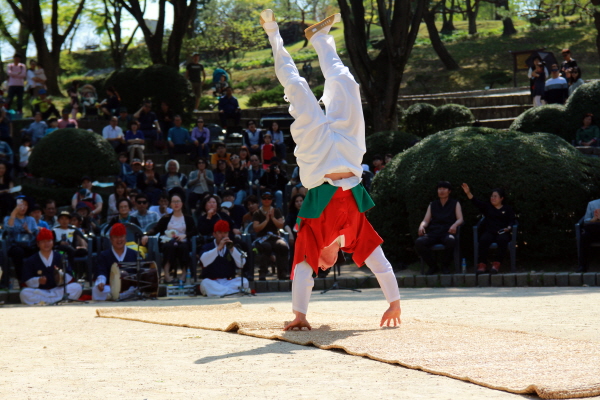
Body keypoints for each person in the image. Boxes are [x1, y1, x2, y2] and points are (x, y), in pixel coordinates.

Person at [261, 10, 403, 330]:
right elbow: (381, 266)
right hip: (351, 160)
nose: (321, 268)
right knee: (347, 85)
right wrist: (394, 303)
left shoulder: (310, 234)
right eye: (326, 267)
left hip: (319, 163)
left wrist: (300, 314)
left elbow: (301, 271)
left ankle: (273, 34)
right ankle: (320, 38)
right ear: (335, 257)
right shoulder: (355, 237)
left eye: (319, 269)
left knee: (297, 88)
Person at [461, 183, 515, 274]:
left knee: (503, 240)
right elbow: (475, 202)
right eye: (492, 196)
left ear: (501, 198)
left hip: (502, 232)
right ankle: (482, 265)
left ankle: (496, 265)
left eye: (495, 196)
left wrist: (508, 228)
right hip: (490, 232)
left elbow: (512, 220)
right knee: (483, 239)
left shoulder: (507, 208)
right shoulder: (487, 207)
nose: (492, 198)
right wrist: (468, 193)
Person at [20, 228, 83, 305]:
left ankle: (47, 301)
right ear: (38, 244)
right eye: (43, 241)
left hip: (58, 289)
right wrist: (38, 280)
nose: (46, 244)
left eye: (49, 241)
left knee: (77, 287)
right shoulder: (31, 260)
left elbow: (70, 275)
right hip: (41, 291)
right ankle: (56, 300)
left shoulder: (60, 257)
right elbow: (26, 279)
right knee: (24, 293)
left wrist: (61, 277)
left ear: (53, 243)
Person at [145, 193, 197, 283]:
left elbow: (195, 231)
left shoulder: (188, 218)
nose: (176, 204)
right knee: (169, 247)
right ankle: (166, 274)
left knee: (184, 248)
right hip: (168, 241)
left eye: (178, 201)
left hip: (182, 241)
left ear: (182, 203)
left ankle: (184, 274)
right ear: (170, 204)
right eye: (173, 202)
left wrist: (185, 235)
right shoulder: (166, 218)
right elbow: (156, 229)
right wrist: (146, 234)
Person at [415, 182, 464, 275]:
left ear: (449, 191)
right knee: (419, 242)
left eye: (444, 189)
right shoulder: (433, 204)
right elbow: (426, 220)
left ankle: (445, 266)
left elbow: (460, 219)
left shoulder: (455, 203)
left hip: (447, 231)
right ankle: (433, 266)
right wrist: (421, 226)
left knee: (451, 240)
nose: (441, 191)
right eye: (439, 189)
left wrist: (454, 225)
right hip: (434, 232)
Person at [199, 220, 248, 296]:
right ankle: (231, 292)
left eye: (225, 233)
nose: (223, 235)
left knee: (244, 281)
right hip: (212, 281)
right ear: (214, 234)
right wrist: (218, 248)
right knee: (205, 283)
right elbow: (204, 261)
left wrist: (232, 249)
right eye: (220, 232)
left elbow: (242, 264)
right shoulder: (207, 247)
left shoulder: (231, 247)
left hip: (228, 281)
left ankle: (223, 292)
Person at [92, 223, 139, 301]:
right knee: (96, 290)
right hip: (111, 287)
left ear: (125, 238)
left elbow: (139, 273)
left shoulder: (134, 254)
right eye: (116, 237)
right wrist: (101, 282)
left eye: (121, 236)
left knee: (135, 289)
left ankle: (117, 296)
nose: (119, 239)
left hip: (129, 288)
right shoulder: (104, 255)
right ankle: (121, 296)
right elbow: (101, 270)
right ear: (111, 239)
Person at [252, 190, 289, 280]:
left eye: (269, 198)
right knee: (266, 247)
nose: (267, 200)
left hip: (275, 237)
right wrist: (266, 220)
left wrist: (272, 218)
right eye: (264, 198)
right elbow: (256, 228)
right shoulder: (257, 213)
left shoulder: (276, 211)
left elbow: (281, 225)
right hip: (262, 238)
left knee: (282, 246)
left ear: (272, 200)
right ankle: (263, 273)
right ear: (261, 200)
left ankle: (282, 272)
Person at [4, 195, 39, 284]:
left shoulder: (30, 219)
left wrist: (28, 230)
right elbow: (8, 230)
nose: (23, 207)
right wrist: (13, 213)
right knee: (18, 252)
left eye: (26, 205)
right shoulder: (8, 218)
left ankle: (37, 278)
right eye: (21, 205)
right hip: (14, 246)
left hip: (29, 245)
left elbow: (35, 235)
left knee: (38, 250)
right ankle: (21, 280)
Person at [53, 210, 88, 276]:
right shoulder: (54, 230)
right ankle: (71, 270)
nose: (64, 221)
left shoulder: (73, 230)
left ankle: (83, 274)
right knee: (68, 249)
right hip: (59, 249)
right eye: (62, 219)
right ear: (58, 220)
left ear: (69, 220)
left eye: (66, 219)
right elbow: (52, 243)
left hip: (71, 249)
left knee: (83, 251)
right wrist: (60, 243)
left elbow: (81, 239)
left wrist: (83, 246)